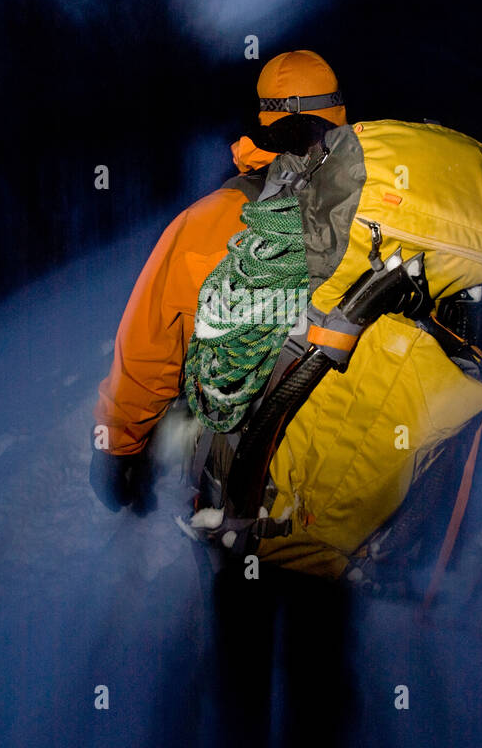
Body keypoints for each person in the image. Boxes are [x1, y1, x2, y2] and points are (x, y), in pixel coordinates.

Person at [90, 49, 348, 515]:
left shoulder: (210, 219)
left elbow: (151, 340)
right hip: (357, 450)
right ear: (340, 113)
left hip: (254, 472)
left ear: (264, 119)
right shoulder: (380, 203)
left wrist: (119, 444)